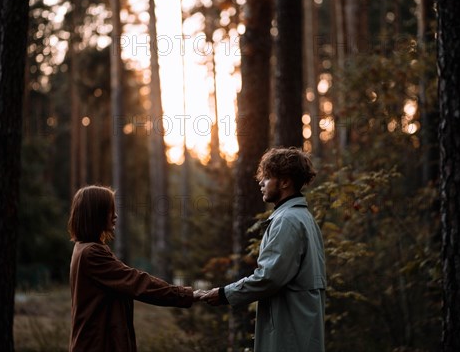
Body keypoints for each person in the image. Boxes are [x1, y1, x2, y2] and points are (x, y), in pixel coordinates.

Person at [201, 147, 327, 352]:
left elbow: (269, 278)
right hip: (300, 332)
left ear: (285, 182)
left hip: (290, 336)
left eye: (267, 178)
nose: (261, 183)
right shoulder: (302, 218)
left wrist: (225, 294)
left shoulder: (287, 221)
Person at [67, 185, 203, 352]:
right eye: (109, 210)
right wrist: (186, 294)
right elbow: (137, 282)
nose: (115, 215)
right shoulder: (92, 253)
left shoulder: (83, 248)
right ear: (96, 214)